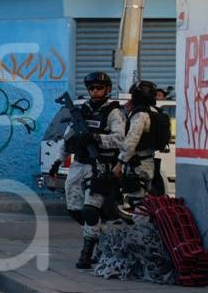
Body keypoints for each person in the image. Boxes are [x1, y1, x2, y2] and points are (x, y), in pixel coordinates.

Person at [50, 71, 125, 269]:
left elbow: (120, 139)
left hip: (100, 164)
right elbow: (68, 137)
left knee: (90, 210)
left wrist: (97, 138)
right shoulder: (81, 111)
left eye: (99, 88)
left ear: (107, 89)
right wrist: (58, 160)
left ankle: (87, 253)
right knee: (74, 209)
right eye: (91, 88)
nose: (95, 91)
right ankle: (98, 238)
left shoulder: (113, 112)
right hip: (78, 164)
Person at [114, 80, 158, 209]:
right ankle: (145, 226)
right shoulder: (154, 111)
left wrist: (119, 163)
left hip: (138, 164)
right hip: (148, 161)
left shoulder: (140, 114)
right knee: (145, 197)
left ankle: (142, 228)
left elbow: (131, 140)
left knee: (138, 200)